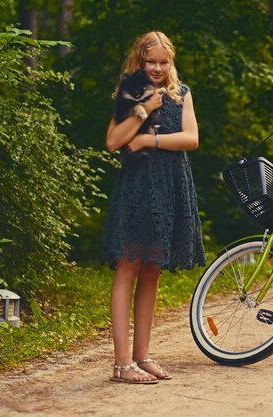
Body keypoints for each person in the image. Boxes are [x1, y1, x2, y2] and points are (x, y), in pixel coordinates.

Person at [102, 31, 206, 384]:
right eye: (151, 61)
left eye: (164, 61)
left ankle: (142, 355)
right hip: (138, 190)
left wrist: (149, 138)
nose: (158, 68)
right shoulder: (130, 93)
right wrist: (145, 109)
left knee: (152, 270)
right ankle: (121, 364)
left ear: (171, 61)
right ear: (140, 60)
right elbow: (114, 142)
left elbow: (191, 139)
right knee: (128, 266)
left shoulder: (182, 94)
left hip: (170, 188)